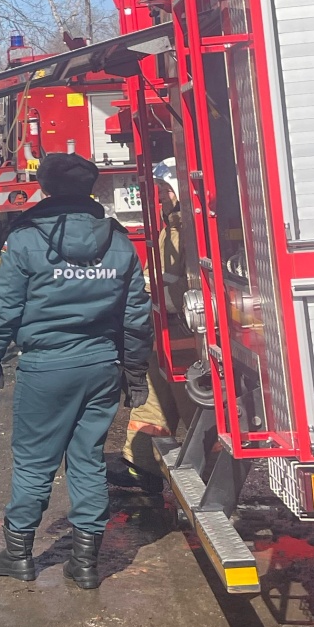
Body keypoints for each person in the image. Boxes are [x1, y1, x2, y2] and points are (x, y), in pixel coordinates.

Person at [0, 149, 152, 589]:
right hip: (100, 366)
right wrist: (134, 372)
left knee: (35, 463)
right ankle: (87, 563)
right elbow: (136, 315)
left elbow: (3, 304)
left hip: (47, 367)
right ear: (89, 189)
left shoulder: (27, 238)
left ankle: (18, 554)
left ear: (47, 188)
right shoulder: (117, 239)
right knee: (87, 459)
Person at [115, 161, 184, 497]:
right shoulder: (171, 227)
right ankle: (141, 462)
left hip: (185, 330)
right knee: (154, 392)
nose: (161, 198)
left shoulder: (185, 231)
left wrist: (142, 294)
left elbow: (180, 289)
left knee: (194, 409)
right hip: (165, 327)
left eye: (164, 190)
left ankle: (208, 468)